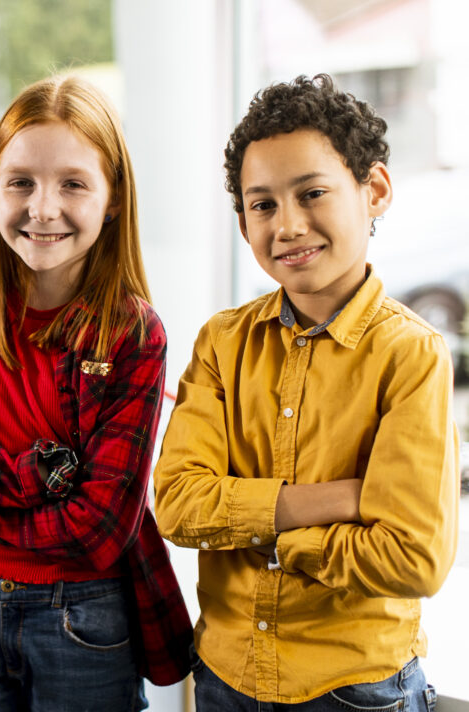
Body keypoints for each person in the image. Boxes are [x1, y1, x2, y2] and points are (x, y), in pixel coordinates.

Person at [0, 74, 193, 711]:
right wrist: (41, 474)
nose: (41, 208)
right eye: (20, 180)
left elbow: (98, 530)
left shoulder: (133, 334)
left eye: (72, 183)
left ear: (112, 199)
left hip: (85, 618)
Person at [153, 74, 458, 711]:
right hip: (224, 678)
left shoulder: (410, 354)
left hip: (356, 691)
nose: (288, 225)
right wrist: (336, 501)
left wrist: (267, 534)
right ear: (242, 223)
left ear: (373, 191)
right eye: (262, 204)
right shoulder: (221, 343)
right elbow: (179, 507)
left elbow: (411, 558)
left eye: (312, 193)